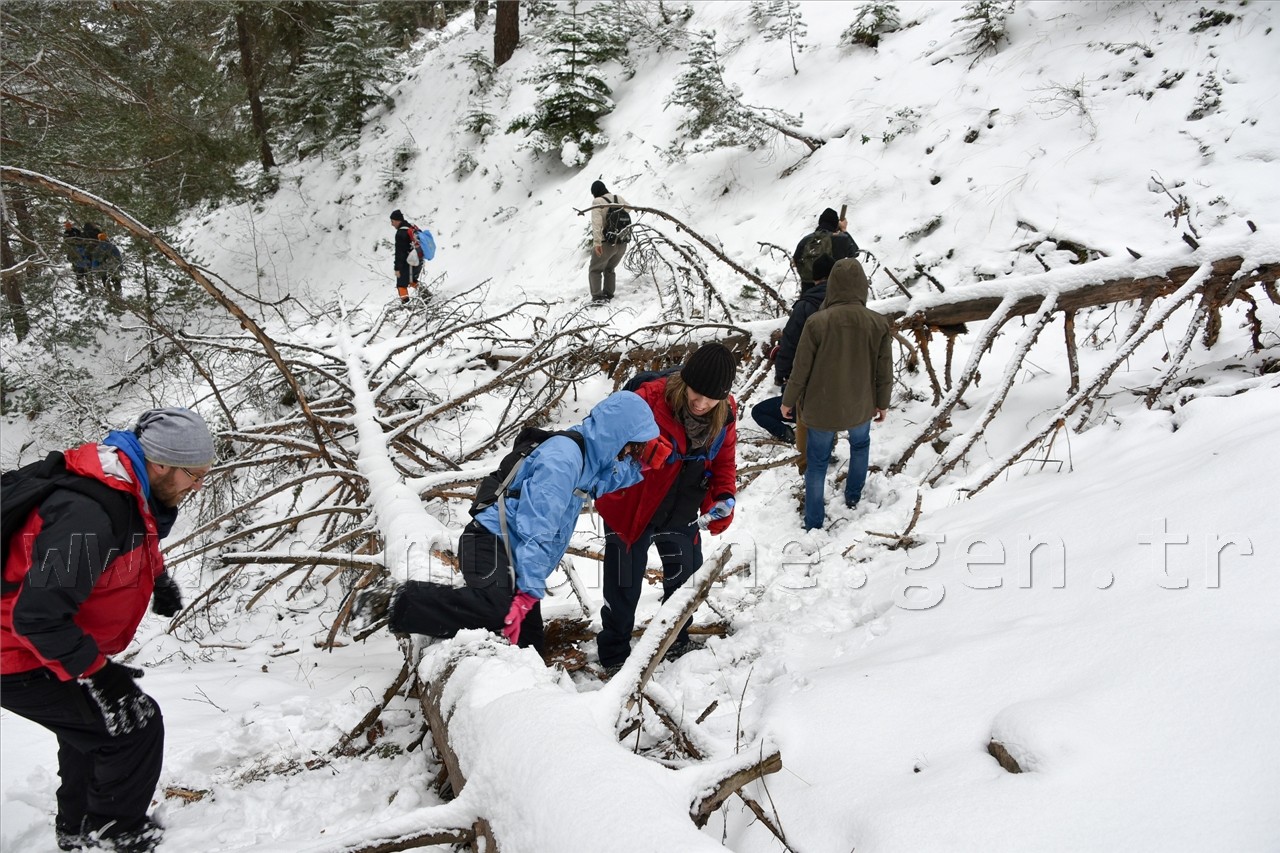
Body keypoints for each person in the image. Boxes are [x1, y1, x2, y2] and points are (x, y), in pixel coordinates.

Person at [1, 408, 216, 853]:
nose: (199, 485)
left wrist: (157, 578)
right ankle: (115, 834)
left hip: (41, 645)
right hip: (15, 652)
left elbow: (139, 532)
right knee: (134, 725)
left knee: (93, 731)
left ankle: (79, 829)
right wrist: (101, 676)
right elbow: (36, 617)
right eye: (194, 474)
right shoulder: (88, 514)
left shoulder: (128, 484)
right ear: (160, 463)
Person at [364, 391, 661, 656]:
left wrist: (644, 466)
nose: (630, 454)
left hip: (513, 555)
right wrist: (529, 590)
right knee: (497, 610)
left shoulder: (586, 456)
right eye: (632, 447)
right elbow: (537, 529)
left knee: (529, 648)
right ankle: (395, 600)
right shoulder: (563, 460)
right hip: (490, 542)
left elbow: (603, 478)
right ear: (617, 436)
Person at [595, 343, 739, 674]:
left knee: (686, 578)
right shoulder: (647, 398)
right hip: (632, 507)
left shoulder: (725, 413)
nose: (701, 403)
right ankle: (614, 652)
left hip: (682, 507)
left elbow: (724, 459)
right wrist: (640, 450)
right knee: (623, 584)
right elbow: (601, 439)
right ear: (684, 380)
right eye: (695, 392)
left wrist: (724, 496)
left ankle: (676, 639)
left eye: (710, 397)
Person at [781, 258, 892, 531]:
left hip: (821, 408)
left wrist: (788, 400)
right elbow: (883, 369)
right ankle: (853, 497)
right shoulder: (878, 323)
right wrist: (883, 403)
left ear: (832, 287)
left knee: (817, 462)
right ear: (862, 287)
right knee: (860, 447)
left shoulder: (817, 322)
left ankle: (814, 521)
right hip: (861, 405)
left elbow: (801, 367)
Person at [751, 254, 836, 463]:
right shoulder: (846, 305)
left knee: (761, 411)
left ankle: (796, 443)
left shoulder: (805, 306)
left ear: (814, 278)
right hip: (835, 386)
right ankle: (825, 448)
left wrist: (781, 375)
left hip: (805, 382)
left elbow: (789, 344)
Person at [793, 207, 858, 289]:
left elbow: (795, 261)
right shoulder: (841, 239)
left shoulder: (806, 240)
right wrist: (844, 230)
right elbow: (855, 253)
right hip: (833, 289)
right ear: (835, 224)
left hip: (808, 290)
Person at [588, 180, 630, 303]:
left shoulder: (597, 202)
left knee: (595, 269)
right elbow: (629, 209)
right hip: (622, 242)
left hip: (607, 243)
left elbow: (597, 224)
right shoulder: (619, 198)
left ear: (595, 193)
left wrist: (597, 243)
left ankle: (597, 297)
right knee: (610, 269)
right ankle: (609, 293)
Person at [389, 208, 421, 305]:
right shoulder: (411, 227)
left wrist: (397, 268)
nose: (392, 224)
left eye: (393, 221)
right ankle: (427, 296)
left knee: (401, 285)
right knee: (412, 281)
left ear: (398, 220)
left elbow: (400, 253)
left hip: (408, 262)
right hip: (418, 260)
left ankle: (406, 305)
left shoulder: (400, 233)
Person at [63, 221, 91, 292]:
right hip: (76, 259)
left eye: (69, 226)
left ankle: (91, 289)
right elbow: (66, 243)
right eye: (67, 226)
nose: (68, 227)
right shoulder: (66, 234)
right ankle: (82, 289)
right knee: (79, 275)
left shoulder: (76, 231)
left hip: (83, 260)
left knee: (87, 275)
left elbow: (82, 237)